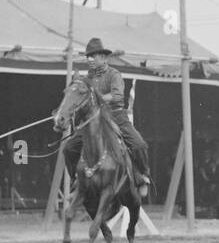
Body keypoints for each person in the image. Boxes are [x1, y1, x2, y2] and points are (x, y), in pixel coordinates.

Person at [62, 37, 152, 197]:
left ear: (103, 57)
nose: (89, 59)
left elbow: (118, 96)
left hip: (116, 116)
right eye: (88, 56)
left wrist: (98, 97)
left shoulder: (114, 74)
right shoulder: (87, 78)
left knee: (139, 145)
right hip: (94, 121)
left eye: (93, 56)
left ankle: (142, 176)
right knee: (69, 148)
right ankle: (77, 179)